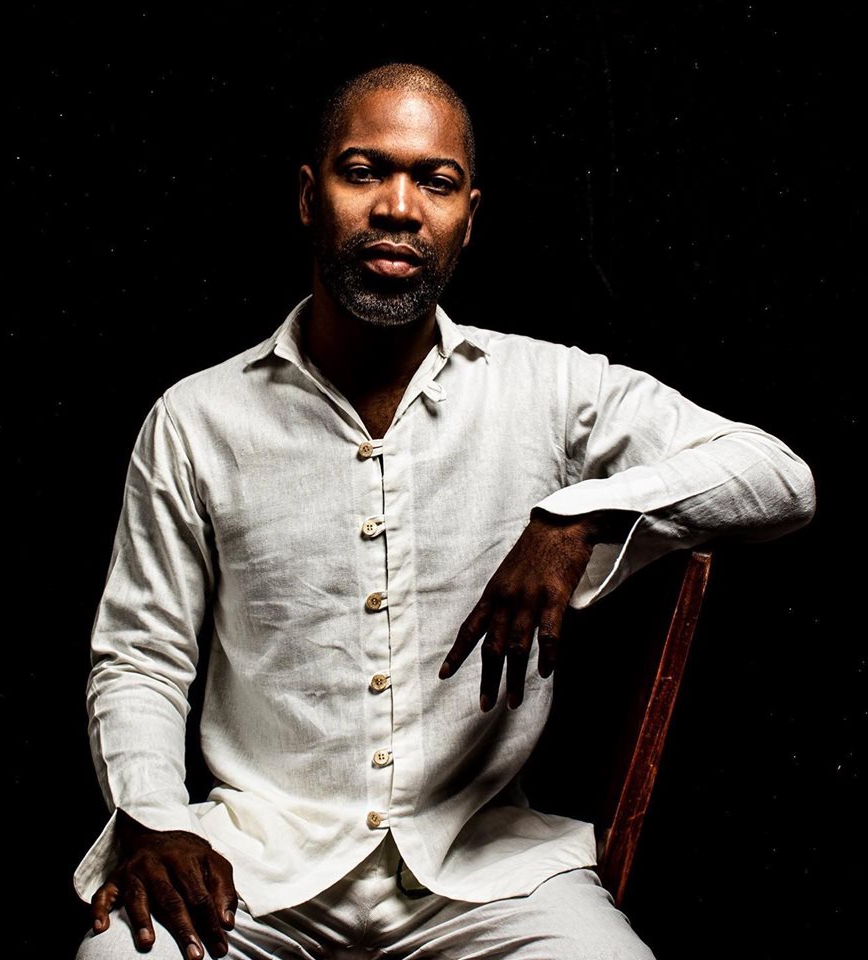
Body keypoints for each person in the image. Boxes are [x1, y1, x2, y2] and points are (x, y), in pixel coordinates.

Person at [73, 63, 815, 960]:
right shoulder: (196, 419)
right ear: (309, 197)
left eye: (435, 181)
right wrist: (154, 818)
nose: (398, 207)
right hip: (256, 870)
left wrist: (581, 517)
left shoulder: (551, 388)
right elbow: (141, 655)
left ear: (469, 217)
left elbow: (779, 477)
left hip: (488, 875)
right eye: (363, 172)